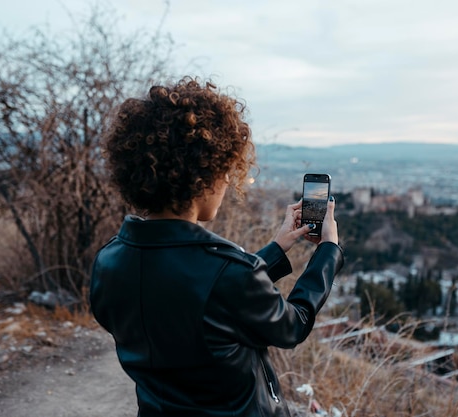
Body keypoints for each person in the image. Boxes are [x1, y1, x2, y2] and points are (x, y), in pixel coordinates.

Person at [89, 77, 344, 417]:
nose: (226, 181)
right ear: (204, 176)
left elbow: (198, 294)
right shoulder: (229, 274)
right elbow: (291, 326)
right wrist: (328, 251)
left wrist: (277, 247)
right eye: (224, 170)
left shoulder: (109, 262)